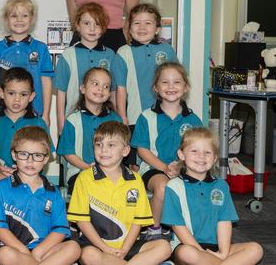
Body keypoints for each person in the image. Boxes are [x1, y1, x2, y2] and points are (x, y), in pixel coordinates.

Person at [67, 122, 171, 265]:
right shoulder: (84, 178)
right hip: (96, 246)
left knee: (164, 247)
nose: (103, 150)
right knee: (88, 255)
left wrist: (125, 249)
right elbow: (81, 221)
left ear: (125, 150)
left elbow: (138, 222)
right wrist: (105, 248)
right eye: (99, 145)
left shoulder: (135, 180)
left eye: (111, 145)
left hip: (127, 247)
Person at [162, 128, 264, 265]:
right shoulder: (173, 186)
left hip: (217, 249)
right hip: (188, 247)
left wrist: (223, 253)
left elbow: (224, 221)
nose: (201, 156)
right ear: (181, 154)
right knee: (187, 253)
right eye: (194, 151)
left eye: (207, 152)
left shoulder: (221, 186)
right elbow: (178, 226)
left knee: (256, 249)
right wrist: (201, 252)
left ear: (215, 158)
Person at [0, 126, 80, 265]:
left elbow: (60, 230)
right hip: (16, 251)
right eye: (24, 154)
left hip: (44, 252)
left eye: (37, 155)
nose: (30, 161)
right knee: (4, 255)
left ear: (45, 159)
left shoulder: (53, 192)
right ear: (14, 155)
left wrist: (37, 253)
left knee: (74, 248)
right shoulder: (2, 187)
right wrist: (24, 251)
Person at [131, 62, 203, 240]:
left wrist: (181, 167)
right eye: (165, 82)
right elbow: (142, 150)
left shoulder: (193, 119)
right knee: (164, 187)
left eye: (177, 82)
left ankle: (190, 230)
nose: (171, 87)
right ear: (156, 87)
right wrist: (165, 168)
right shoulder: (146, 117)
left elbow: (199, 149)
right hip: (154, 168)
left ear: (185, 87)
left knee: (200, 187)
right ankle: (155, 229)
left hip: (185, 168)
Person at [0, 67, 48, 212]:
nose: (17, 99)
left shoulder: (39, 123)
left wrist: (28, 166)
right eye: (11, 93)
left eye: (23, 94)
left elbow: (45, 153)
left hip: (31, 171)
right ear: (1, 93)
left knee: (28, 198)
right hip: (0, 170)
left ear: (31, 96)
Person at [0, 0, 54, 125]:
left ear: (32, 19)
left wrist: (46, 114)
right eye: (14, 16)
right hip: (4, 115)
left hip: (35, 114)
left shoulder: (41, 49)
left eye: (24, 16)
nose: (19, 20)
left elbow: (46, 82)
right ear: (6, 19)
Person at [54, 2, 122, 133]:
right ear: (77, 26)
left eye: (97, 24)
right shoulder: (68, 55)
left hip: (105, 122)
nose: (92, 28)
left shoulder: (110, 54)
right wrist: (61, 127)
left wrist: (116, 119)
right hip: (74, 120)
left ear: (103, 28)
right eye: (87, 23)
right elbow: (61, 93)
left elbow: (113, 91)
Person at [57, 67, 122, 194]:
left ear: (109, 94)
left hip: (111, 171)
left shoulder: (116, 120)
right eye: (95, 84)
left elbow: (120, 150)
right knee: (91, 188)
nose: (100, 89)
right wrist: (87, 168)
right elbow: (67, 152)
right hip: (79, 172)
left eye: (106, 86)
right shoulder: (73, 120)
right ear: (83, 89)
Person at [116, 3, 177, 127]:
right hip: (135, 118)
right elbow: (120, 89)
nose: (142, 27)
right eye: (137, 23)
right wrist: (122, 116)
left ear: (157, 29)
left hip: (166, 117)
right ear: (129, 28)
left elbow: (177, 82)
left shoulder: (167, 50)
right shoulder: (123, 53)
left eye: (148, 23)